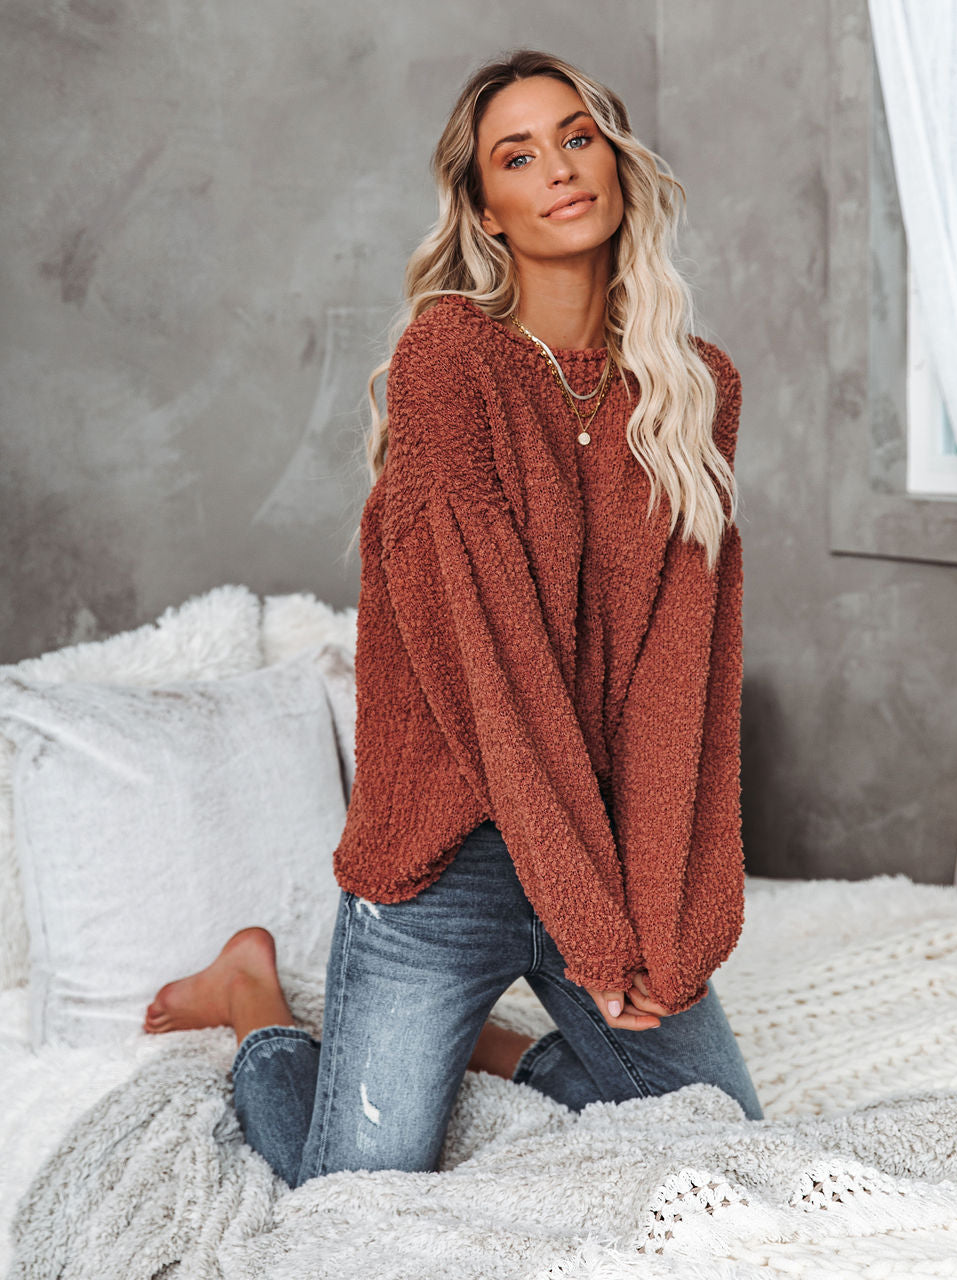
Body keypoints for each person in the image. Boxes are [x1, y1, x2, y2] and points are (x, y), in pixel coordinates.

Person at [144, 48, 763, 1189]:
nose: (558, 169)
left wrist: (665, 927)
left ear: (616, 163)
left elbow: (683, 682)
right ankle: (254, 1002)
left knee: (724, 1136)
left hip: (603, 856)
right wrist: (591, 931)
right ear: (485, 210)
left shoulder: (694, 389)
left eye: (576, 138)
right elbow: (494, 672)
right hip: (448, 854)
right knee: (352, 1200)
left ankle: (495, 1048)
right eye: (517, 157)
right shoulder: (451, 361)